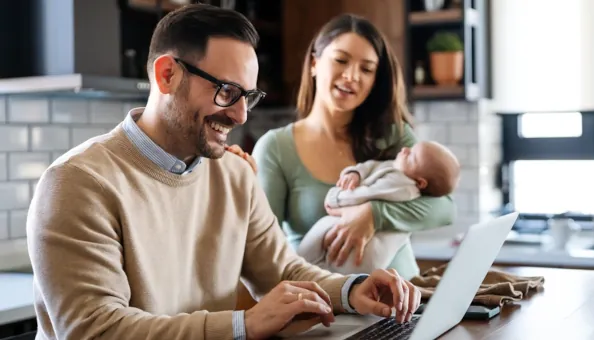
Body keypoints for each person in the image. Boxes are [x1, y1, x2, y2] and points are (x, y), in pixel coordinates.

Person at [26, 5, 420, 340]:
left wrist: (353, 290)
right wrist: (243, 325)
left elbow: (281, 269)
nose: (241, 114)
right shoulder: (77, 183)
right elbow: (96, 329)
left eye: (247, 96)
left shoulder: (233, 174)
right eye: (227, 92)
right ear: (167, 75)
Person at [249, 13, 456, 281]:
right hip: (326, 307)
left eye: (367, 69)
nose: (351, 76)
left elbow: (445, 208)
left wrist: (374, 215)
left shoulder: (393, 136)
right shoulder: (275, 148)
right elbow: (262, 248)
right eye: (341, 60)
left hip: (407, 302)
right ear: (314, 63)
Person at [295, 141, 461, 274]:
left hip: (368, 264)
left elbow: (365, 194)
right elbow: (372, 167)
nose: (404, 149)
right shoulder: (398, 166)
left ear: (420, 182)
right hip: (357, 266)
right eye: (410, 148)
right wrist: (355, 173)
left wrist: (337, 198)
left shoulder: (402, 185)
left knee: (312, 263)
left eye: (412, 156)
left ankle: (298, 271)